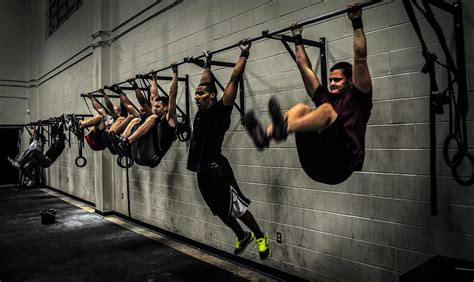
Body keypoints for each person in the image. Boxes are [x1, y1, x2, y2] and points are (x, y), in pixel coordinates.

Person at [244, 3, 372, 185]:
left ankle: (282, 128)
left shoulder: (359, 99)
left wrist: (356, 22)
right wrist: (297, 37)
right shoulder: (326, 98)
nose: (332, 83)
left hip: (343, 165)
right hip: (315, 164)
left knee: (325, 111)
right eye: (331, 80)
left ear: (351, 81)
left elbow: (360, 58)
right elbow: (304, 68)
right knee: (301, 108)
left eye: (338, 80)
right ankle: (265, 135)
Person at [187, 41, 270, 260]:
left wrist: (244, 52)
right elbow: (205, 80)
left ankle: (260, 236)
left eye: (201, 94)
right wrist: (207, 63)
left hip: (217, 171)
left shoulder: (220, 111)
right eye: (195, 94)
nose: (196, 97)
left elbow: (234, 78)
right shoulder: (200, 113)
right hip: (201, 171)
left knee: (237, 209)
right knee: (219, 210)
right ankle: (241, 236)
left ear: (212, 96)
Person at [115, 64, 178, 167]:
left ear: (166, 108)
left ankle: (127, 142)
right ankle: (123, 140)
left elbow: (172, 95)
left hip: (152, 156)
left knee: (151, 117)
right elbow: (153, 95)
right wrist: (154, 79)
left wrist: (175, 73)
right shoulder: (154, 116)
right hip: (138, 156)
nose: (154, 108)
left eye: (158, 106)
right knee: (137, 120)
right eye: (154, 106)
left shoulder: (169, 119)